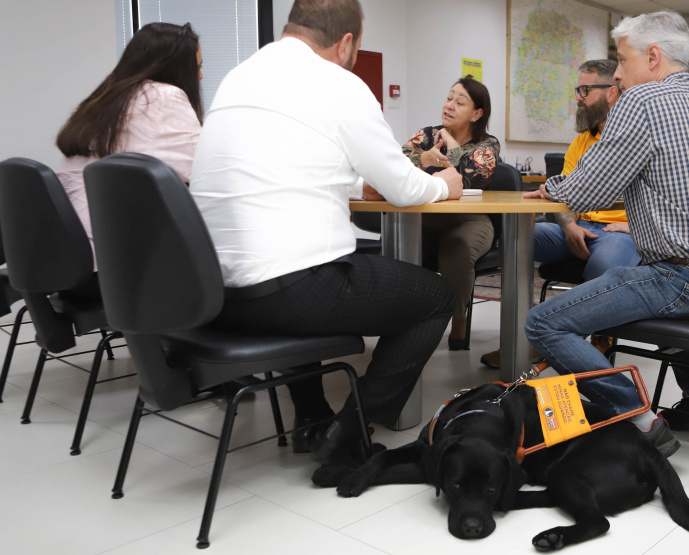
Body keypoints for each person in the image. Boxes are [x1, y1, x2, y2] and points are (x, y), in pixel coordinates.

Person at [190, 0, 464, 467]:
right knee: (437, 296)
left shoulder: (238, 77)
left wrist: (356, 184)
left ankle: (311, 417)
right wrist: (445, 185)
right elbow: (404, 187)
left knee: (296, 260)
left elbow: (281, 162)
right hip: (288, 294)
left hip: (214, 293)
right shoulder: (340, 83)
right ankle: (349, 433)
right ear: (346, 43)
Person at [524, 11, 689, 458]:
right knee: (643, 276)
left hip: (686, 279)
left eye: (623, 60)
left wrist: (551, 187)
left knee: (544, 323)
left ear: (652, 57)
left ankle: (638, 418)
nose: (617, 75)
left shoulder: (643, 100)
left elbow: (587, 190)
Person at [480, 58, 640, 370]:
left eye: (585, 90)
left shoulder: (634, 139)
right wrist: (569, 226)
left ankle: (589, 342)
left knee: (604, 265)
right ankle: (520, 342)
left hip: (619, 232)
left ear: (612, 92)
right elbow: (566, 195)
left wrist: (635, 227)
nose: (578, 98)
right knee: (517, 238)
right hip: (582, 227)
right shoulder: (581, 142)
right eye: (577, 90)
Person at [56, 22, 203, 270]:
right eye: (197, 67)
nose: (199, 76)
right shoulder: (163, 97)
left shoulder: (105, 98)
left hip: (70, 249)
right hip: (114, 258)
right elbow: (202, 170)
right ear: (177, 68)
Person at [401, 78, 500, 350]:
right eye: (449, 98)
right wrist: (424, 159)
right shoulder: (426, 136)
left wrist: (452, 145)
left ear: (476, 114)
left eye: (460, 102)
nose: (450, 105)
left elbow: (469, 179)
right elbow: (396, 165)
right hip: (425, 216)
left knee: (457, 247)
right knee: (400, 245)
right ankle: (405, 320)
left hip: (469, 220)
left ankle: (458, 317)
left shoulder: (487, 145)